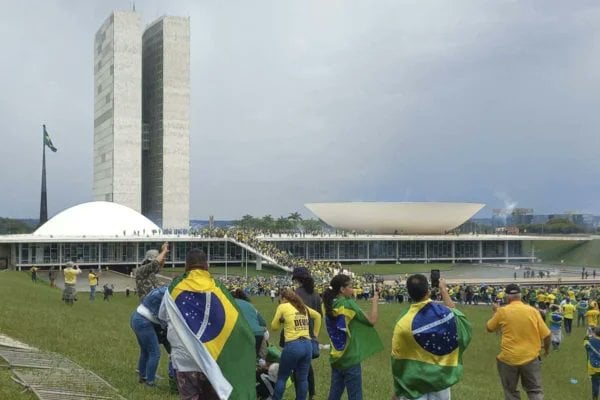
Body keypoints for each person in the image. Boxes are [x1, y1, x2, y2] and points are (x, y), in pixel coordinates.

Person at [159, 248, 256, 400]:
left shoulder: (173, 290)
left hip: (185, 361)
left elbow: (162, 316)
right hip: (212, 360)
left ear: (186, 266)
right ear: (207, 265)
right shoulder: (218, 289)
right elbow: (233, 320)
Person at [391, 275, 472, 400]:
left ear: (409, 293)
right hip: (439, 379)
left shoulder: (403, 322)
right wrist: (443, 290)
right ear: (428, 291)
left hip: (414, 383)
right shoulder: (444, 314)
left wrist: (398, 389)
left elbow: (398, 358)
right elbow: (459, 319)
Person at [323, 274, 383, 400]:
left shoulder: (329, 304)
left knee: (334, 394)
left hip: (336, 356)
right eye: (350, 286)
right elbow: (371, 321)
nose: (353, 289)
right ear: (342, 289)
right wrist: (375, 302)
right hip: (350, 357)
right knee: (355, 396)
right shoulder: (348, 304)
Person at [486, 283, 551, 400]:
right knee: (535, 391)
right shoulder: (533, 311)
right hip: (530, 357)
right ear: (520, 296)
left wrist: (496, 312)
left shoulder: (502, 311)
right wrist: (546, 350)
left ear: (507, 297)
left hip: (508, 358)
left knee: (511, 392)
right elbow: (547, 334)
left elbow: (489, 328)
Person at [271, 289, 321, 400]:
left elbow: (274, 327)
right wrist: (315, 335)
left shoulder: (283, 307)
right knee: (302, 378)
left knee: (282, 378)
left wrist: (280, 320)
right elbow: (318, 316)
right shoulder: (302, 307)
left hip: (293, 345)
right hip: (307, 345)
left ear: (284, 298)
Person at [292, 267, 322, 400]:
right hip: (310, 335)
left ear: (298, 279)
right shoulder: (315, 294)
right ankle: (312, 393)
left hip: (297, 334)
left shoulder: (296, 293)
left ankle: (302, 395)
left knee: (298, 369)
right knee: (306, 365)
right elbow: (319, 315)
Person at [131, 286, 168, 387]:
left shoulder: (164, 289)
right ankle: (150, 381)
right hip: (144, 321)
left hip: (137, 316)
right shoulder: (170, 295)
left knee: (145, 350)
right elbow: (164, 316)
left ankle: (143, 376)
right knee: (155, 352)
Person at [232, 288, 267, 356]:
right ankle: (261, 361)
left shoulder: (231, 304)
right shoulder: (250, 305)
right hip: (258, 334)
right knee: (253, 357)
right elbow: (263, 323)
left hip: (243, 334)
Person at [584, 326, 600, 400]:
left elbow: (586, 345)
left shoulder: (591, 341)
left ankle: (595, 397)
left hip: (594, 367)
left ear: (594, 333)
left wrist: (587, 335)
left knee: (595, 383)